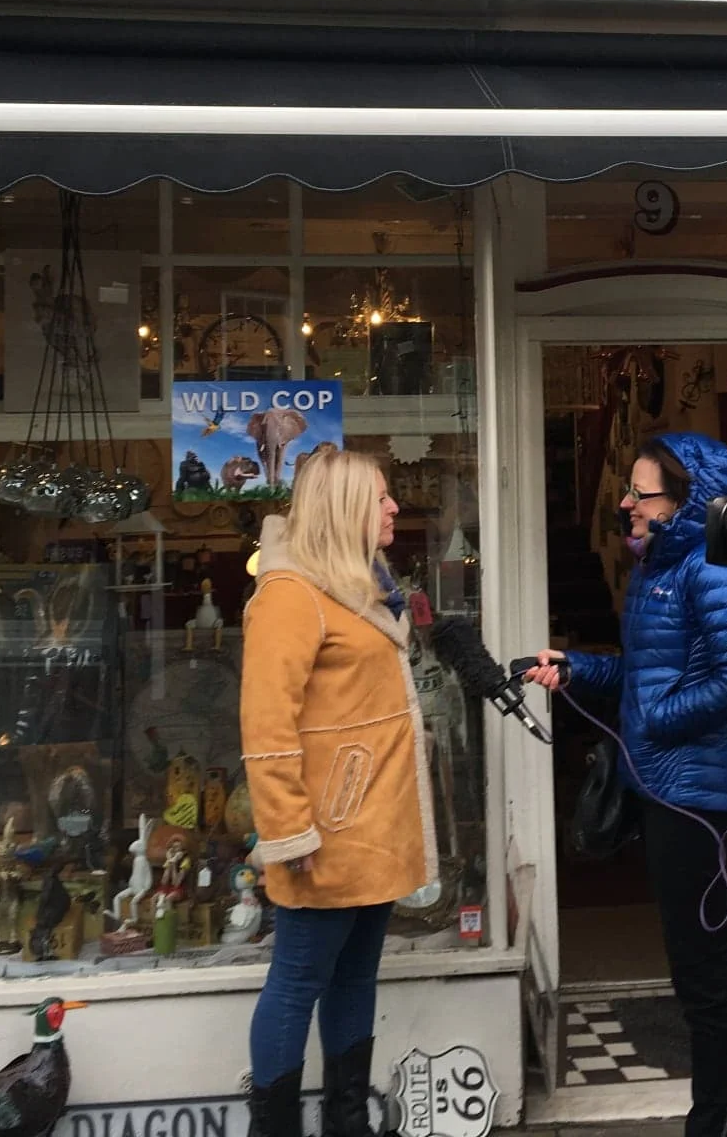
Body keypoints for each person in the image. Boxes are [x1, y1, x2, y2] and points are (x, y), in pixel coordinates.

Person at [524, 433, 727, 1137]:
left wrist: (657, 720)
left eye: (641, 492)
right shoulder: (659, 570)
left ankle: (722, 1126)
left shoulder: (713, 568)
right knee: (694, 978)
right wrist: (574, 669)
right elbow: (643, 676)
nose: (625, 503)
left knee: (708, 982)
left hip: (693, 799)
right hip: (663, 789)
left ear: (687, 504)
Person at [240, 448, 437, 1137]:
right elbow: (266, 729)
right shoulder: (290, 594)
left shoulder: (360, 585)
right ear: (344, 507)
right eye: (380, 498)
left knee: (353, 981)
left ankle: (347, 1121)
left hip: (373, 832)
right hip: (323, 836)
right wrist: (290, 832)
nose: (393, 508)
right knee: (297, 984)